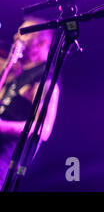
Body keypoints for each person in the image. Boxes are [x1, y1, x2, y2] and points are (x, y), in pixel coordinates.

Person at [0, 18, 59, 187]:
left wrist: (3, 127)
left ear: (41, 43)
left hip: (6, 153)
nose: (16, 37)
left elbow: (44, 129)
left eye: (24, 34)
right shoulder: (17, 68)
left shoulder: (44, 77)